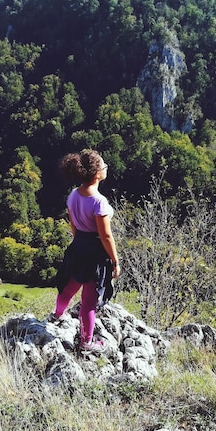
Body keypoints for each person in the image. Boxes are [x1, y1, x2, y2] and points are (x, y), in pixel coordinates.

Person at [53, 149, 120, 354]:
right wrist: (115, 261)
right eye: (103, 166)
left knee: (69, 286)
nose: (106, 167)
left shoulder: (73, 195)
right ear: (97, 174)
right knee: (89, 300)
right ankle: (86, 342)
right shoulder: (99, 202)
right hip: (95, 252)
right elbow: (106, 235)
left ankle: (57, 315)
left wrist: (78, 243)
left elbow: (73, 223)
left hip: (78, 245)